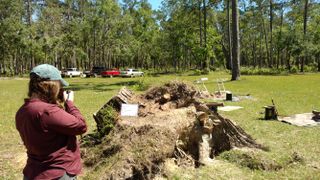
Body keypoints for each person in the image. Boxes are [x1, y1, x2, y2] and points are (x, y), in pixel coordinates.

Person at [16, 64, 87, 180]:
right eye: (59, 86)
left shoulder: (22, 111)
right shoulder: (48, 112)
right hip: (57, 173)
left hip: (33, 173)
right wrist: (69, 103)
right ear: (51, 86)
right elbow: (81, 126)